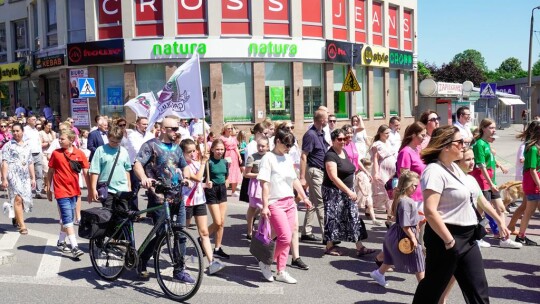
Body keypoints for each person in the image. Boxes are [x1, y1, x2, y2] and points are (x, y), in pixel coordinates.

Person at [412, 125, 490, 303]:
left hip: (468, 237)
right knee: (432, 289)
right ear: (446, 146)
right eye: (460, 142)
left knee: (478, 289)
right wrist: (449, 241)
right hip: (446, 237)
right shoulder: (434, 171)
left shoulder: (454, 168)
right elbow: (430, 210)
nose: (464, 145)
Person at [439, 147, 515, 304]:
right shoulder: (446, 177)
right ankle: (440, 298)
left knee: (477, 283)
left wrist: (500, 222)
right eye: (467, 159)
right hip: (451, 235)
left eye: (473, 159)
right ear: (457, 161)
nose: (472, 162)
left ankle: (442, 298)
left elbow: (483, 202)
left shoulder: (471, 179)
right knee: (439, 279)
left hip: (470, 236)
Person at [133, 117, 194, 283]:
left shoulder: (177, 148)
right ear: (163, 129)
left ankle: (179, 270)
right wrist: (144, 178)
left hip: (177, 197)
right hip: (159, 197)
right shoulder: (150, 145)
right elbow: (137, 164)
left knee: (180, 234)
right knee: (161, 235)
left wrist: (187, 177)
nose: (176, 131)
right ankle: (142, 258)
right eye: (173, 129)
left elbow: (184, 165)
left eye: (177, 129)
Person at [258, 129, 312, 284]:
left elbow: (294, 179)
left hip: (289, 201)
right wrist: (265, 206)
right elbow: (265, 184)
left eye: (291, 145)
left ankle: (281, 270)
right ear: (277, 141)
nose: (289, 147)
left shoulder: (287, 158)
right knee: (285, 237)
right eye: (286, 144)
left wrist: (304, 197)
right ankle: (266, 261)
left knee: (286, 237)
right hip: (275, 203)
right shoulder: (268, 158)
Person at [322, 129, 374, 257]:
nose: (342, 142)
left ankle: (360, 247)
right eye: (339, 139)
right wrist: (348, 192)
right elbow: (334, 177)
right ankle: (329, 246)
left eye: (344, 139)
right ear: (333, 141)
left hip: (348, 190)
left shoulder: (344, 151)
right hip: (334, 192)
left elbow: (353, 166)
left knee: (353, 217)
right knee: (333, 218)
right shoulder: (330, 156)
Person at [370, 171, 425, 287]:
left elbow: (400, 218)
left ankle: (379, 273)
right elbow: (405, 224)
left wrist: (420, 220)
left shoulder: (403, 199)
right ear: (407, 185)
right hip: (404, 235)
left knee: (391, 257)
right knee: (418, 261)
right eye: (414, 185)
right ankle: (425, 290)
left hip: (396, 234)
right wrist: (413, 237)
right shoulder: (406, 201)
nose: (416, 188)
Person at [470, 118, 519, 248]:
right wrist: (490, 183)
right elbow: (481, 166)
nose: (494, 130)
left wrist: (498, 171)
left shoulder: (487, 144)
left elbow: (490, 162)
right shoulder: (479, 144)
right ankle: (476, 237)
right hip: (483, 182)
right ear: (483, 128)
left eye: (494, 127)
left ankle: (504, 239)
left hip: (492, 182)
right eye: (491, 128)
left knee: (501, 208)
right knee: (480, 212)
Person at [180, 138, 225, 275]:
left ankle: (212, 262)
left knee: (204, 232)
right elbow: (197, 178)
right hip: (187, 202)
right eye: (189, 152)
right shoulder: (182, 165)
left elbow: (199, 182)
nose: (193, 154)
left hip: (199, 200)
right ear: (182, 153)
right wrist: (204, 162)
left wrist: (205, 185)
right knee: (183, 232)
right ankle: (180, 261)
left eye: (194, 151)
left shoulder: (195, 163)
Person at [47, 129, 90, 258]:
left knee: (68, 219)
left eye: (62, 139)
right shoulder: (56, 154)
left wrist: (91, 189)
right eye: (59, 138)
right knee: (67, 218)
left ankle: (61, 242)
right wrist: (49, 188)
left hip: (74, 191)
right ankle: (75, 246)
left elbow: (86, 171)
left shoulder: (79, 153)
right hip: (61, 191)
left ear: (71, 140)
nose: (59, 140)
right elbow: (50, 172)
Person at [300, 109, 329, 242]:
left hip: (320, 171)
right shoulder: (310, 135)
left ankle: (306, 231)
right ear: (322, 120)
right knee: (320, 203)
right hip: (314, 171)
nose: (328, 119)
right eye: (327, 117)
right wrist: (302, 176)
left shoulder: (321, 133)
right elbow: (303, 156)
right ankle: (327, 236)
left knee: (312, 201)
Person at [2, 123, 36, 235]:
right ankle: (22, 226)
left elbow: (30, 162)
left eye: (18, 131)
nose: (15, 133)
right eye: (14, 131)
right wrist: (4, 178)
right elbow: (5, 162)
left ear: (22, 132)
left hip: (25, 176)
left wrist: (33, 178)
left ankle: (17, 217)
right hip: (13, 175)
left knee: (24, 199)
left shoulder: (27, 145)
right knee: (18, 199)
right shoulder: (8, 145)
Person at [396, 122, 427, 245]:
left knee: (419, 228)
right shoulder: (405, 152)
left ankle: (417, 253)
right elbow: (405, 177)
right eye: (422, 135)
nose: (424, 138)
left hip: (420, 194)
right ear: (414, 135)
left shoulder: (417, 150)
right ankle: (386, 256)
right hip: (412, 197)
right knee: (409, 229)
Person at [89, 126, 132, 209]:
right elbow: (94, 171)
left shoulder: (124, 151)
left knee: (122, 216)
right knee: (108, 215)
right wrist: (93, 189)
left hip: (122, 188)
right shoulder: (100, 150)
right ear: (108, 137)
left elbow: (127, 170)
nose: (115, 144)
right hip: (107, 189)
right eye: (112, 141)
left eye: (117, 142)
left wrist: (129, 187)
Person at [516, 120, 540, 246]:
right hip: (533, 184)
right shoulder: (533, 149)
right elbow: (532, 170)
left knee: (529, 211)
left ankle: (521, 236)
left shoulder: (536, 147)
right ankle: (520, 236)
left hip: (535, 183)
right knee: (529, 211)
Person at [370, 125, 397, 225]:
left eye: (389, 133)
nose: (388, 135)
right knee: (386, 194)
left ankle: (390, 216)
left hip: (392, 172)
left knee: (393, 193)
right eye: (386, 133)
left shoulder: (389, 143)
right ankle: (389, 216)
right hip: (383, 170)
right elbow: (375, 159)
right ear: (380, 133)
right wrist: (376, 173)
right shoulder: (377, 144)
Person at [244, 137, 269, 239]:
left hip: (268, 185)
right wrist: (259, 175)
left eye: (263, 146)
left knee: (265, 208)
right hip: (256, 186)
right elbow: (246, 174)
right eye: (259, 145)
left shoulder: (270, 156)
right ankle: (250, 230)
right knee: (253, 208)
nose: (261, 148)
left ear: (268, 146)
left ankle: (262, 231)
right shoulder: (252, 157)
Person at [125, 117, 148, 212]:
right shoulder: (132, 135)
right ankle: (133, 211)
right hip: (134, 164)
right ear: (137, 125)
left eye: (147, 124)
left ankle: (151, 212)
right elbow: (137, 149)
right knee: (134, 189)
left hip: (147, 165)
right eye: (143, 124)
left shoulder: (150, 135)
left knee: (150, 188)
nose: (146, 126)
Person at [356, 158, 382, 225]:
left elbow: (368, 182)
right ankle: (355, 218)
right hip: (361, 193)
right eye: (368, 165)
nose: (369, 167)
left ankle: (374, 219)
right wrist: (362, 191)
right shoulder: (360, 173)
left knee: (370, 206)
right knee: (358, 206)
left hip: (368, 192)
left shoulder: (367, 173)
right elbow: (359, 183)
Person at [220, 124, 242, 197]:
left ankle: (233, 191)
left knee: (235, 172)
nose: (230, 130)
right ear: (225, 129)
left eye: (231, 128)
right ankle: (223, 191)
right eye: (228, 128)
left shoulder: (234, 138)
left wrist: (239, 157)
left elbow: (236, 148)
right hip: (227, 155)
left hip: (234, 156)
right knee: (227, 172)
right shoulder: (222, 138)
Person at [40, 120, 56, 193]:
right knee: (46, 169)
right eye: (48, 125)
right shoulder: (41, 133)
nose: (50, 127)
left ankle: (51, 184)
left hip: (52, 153)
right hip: (44, 153)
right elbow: (40, 144)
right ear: (45, 125)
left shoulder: (53, 133)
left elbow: (55, 142)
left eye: (51, 125)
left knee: (52, 169)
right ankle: (46, 184)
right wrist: (48, 143)